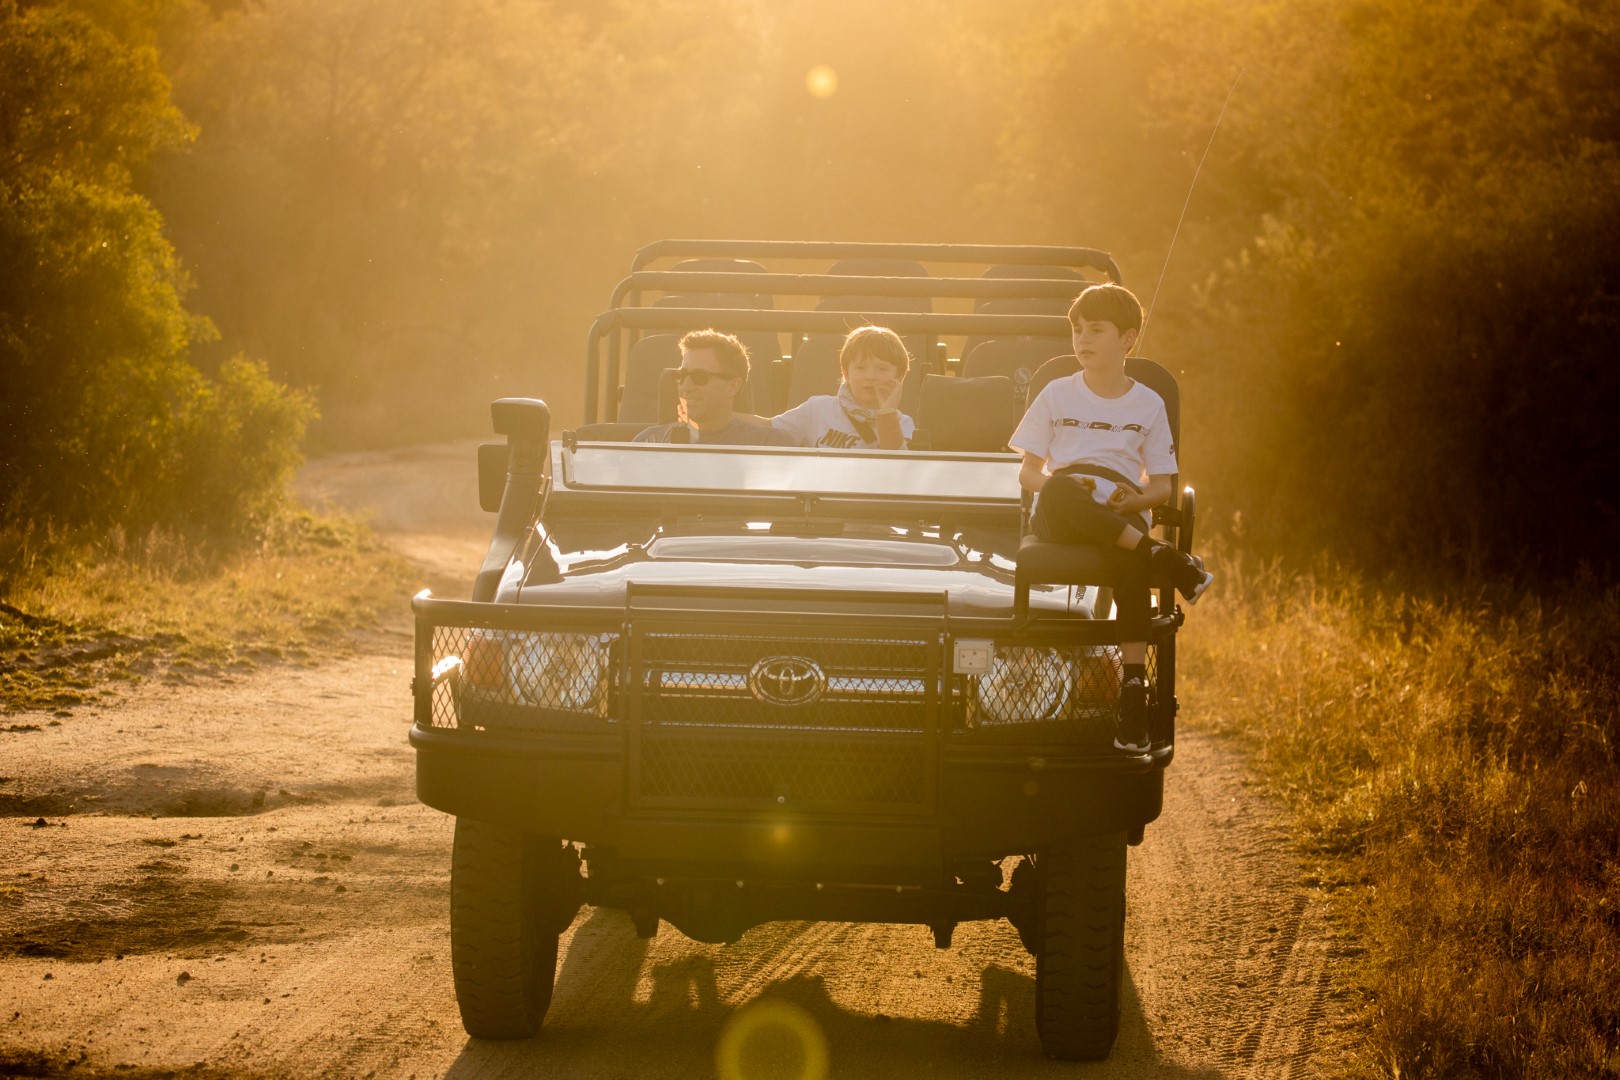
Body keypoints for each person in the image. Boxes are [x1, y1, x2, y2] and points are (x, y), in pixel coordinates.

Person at [1009, 282, 1213, 754]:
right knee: (1062, 487)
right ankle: (1166, 557)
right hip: (1059, 510)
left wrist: (1136, 502)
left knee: (1127, 560)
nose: (1082, 339)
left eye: (1095, 330)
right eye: (1077, 330)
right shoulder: (1056, 394)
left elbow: (1161, 486)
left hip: (1119, 513)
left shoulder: (1148, 404)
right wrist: (1063, 488)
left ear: (1127, 339)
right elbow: (1028, 475)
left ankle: (1133, 691)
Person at [634, 329, 796, 445]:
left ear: (733, 386)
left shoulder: (770, 446)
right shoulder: (648, 443)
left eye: (700, 377)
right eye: (681, 376)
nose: (686, 387)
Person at [772, 325, 915, 449]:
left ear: (899, 377)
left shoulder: (902, 423)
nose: (870, 376)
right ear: (845, 374)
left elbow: (896, 465)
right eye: (860, 368)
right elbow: (768, 428)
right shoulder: (818, 409)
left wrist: (887, 413)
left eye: (882, 369)